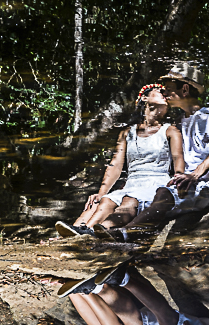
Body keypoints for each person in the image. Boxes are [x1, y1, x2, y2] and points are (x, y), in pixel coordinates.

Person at [98, 63, 209, 241]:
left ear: (184, 89)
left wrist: (194, 175)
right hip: (180, 183)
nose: (165, 93)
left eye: (168, 89)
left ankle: (126, 234)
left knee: (164, 194)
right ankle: (102, 230)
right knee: (140, 197)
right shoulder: (178, 122)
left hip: (205, 183)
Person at [55, 84, 184, 238]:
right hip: (132, 183)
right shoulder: (127, 133)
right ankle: (83, 230)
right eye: (159, 91)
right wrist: (101, 193)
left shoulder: (170, 131)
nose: (164, 94)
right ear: (144, 97)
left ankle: (102, 230)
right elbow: (116, 164)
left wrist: (178, 185)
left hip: (155, 183)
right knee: (106, 201)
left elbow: (178, 161)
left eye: (166, 93)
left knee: (129, 201)